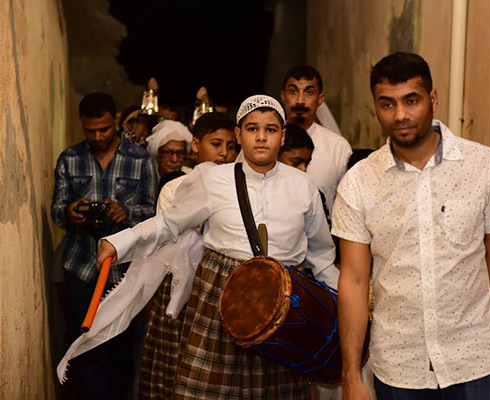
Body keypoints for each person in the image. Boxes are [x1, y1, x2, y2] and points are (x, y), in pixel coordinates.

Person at [96, 95, 338, 399]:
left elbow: (321, 256)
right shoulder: (213, 180)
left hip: (285, 307)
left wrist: (345, 302)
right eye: (252, 129)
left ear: (283, 135)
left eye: (271, 129)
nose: (261, 137)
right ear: (239, 134)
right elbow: (168, 224)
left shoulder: (303, 186)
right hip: (222, 299)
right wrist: (119, 243)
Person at [333, 52, 490, 400]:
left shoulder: (483, 166)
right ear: (376, 107)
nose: (400, 115)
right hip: (399, 367)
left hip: (476, 360)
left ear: (433, 99)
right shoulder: (358, 183)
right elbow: (353, 280)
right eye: (387, 104)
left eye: (411, 100)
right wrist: (351, 374)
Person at [51, 92, 158, 399]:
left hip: (125, 271)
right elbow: (57, 210)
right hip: (82, 267)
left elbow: (154, 215)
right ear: (81, 124)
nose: (97, 137)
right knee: (86, 349)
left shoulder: (141, 161)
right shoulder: (70, 159)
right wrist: (70, 212)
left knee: (122, 350)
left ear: (116, 121)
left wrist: (126, 213)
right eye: (90, 131)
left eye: (104, 129)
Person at [139, 111, 237, 400]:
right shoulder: (174, 188)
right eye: (216, 144)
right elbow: (169, 242)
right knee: (174, 371)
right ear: (195, 145)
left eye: (231, 146)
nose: (224, 153)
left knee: (215, 374)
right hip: (179, 289)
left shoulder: (239, 190)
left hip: (222, 290)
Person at [280, 65, 352, 214]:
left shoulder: (338, 147)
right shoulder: (268, 141)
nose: (300, 101)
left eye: (309, 92)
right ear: (283, 96)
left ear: (320, 99)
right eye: (293, 91)